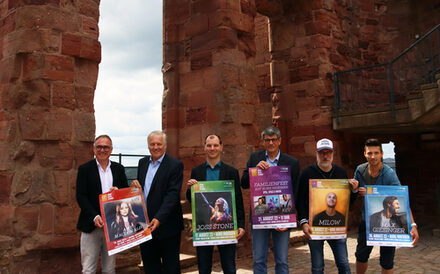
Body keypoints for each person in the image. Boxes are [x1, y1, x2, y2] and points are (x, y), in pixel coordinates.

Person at [355, 138, 419, 274]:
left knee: (387, 261)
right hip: (368, 220)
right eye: (370, 153)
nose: (373, 156)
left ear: (382, 154)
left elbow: (402, 199)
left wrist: (412, 225)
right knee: (361, 256)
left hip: (390, 224)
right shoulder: (360, 171)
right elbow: (352, 194)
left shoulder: (389, 174)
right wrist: (356, 190)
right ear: (365, 154)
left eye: (376, 153)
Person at [241, 126, 300, 274]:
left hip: (282, 217)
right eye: (267, 140)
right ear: (263, 141)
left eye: (274, 140)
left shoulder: (292, 162)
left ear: (280, 141)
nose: (271, 143)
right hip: (260, 215)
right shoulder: (255, 158)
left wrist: (290, 220)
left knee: (282, 260)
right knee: (259, 259)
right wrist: (255, 171)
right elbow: (243, 183)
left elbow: (296, 192)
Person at [297, 138, 358, 274]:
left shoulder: (340, 172)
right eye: (321, 153)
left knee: (343, 263)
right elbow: (300, 199)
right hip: (315, 225)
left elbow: (347, 202)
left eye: (328, 153)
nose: (325, 156)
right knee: (317, 267)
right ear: (317, 154)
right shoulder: (307, 172)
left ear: (332, 153)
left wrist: (354, 190)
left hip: (336, 225)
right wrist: (303, 222)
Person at [186, 134, 245, 274]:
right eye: (209, 145)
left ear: (221, 147)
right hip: (204, 227)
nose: (212, 148)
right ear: (204, 148)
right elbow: (191, 200)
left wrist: (241, 224)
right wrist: (190, 189)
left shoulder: (231, 172)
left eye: (215, 145)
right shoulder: (197, 171)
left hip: (226, 227)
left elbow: (238, 199)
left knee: (229, 267)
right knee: (204, 268)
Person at [131, 131, 184, 274]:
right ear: (148, 146)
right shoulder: (142, 163)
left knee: (171, 268)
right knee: (150, 266)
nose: (155, 147)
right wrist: (134, 188)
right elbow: (143, 191)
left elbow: (172, 195)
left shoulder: (175, 165)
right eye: (152, 144)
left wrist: (159, 218)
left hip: (168, 226)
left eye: (159, 144)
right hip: (145, 225)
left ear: (165, 145)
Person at [76, 135, 128, 274]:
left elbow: (126, 195)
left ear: (111, 150)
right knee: (88, 269)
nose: (102, 150)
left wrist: (119, 193)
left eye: (106, 147)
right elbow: (81, 196)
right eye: (99, 146)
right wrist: (94, 216)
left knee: (110, 269)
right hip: (90, 225)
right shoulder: (85, 169)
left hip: (113, 226)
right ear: (94, 149)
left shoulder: (119, 169)